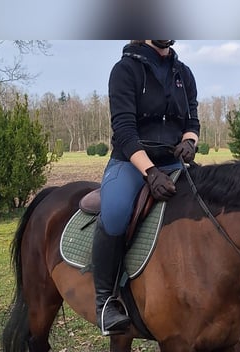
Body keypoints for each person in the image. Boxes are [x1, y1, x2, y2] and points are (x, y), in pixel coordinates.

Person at [92, 40, 200, 335]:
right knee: (114, 213)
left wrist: (190, 142)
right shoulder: (125, 70)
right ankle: (105, 302)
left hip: (173, 164)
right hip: (131, 163)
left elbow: (193, 120)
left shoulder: (184, 73)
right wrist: (150, 172)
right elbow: (125, 132)